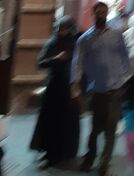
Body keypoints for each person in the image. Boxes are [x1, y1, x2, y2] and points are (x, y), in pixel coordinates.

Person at [71, 1, 131, 176]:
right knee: (95, 129)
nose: (101, 14)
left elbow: (125, 56)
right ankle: (90, 157)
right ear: (93, 14)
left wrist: (127, 77)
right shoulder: (85, 39)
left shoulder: (116, 35)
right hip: (97, 91)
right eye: (98, 12)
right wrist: (75, 84)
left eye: (104, 11)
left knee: (111, 129)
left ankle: (104, 164)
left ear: (107, 13)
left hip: (116, 89)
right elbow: (78, 62)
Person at [30, 16, 80, 169]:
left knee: (66, 122)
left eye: (64, 29)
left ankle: (63, 152)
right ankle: (50, 153)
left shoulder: (75, 44)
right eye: (60, 28)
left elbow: (80, 65)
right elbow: (41, 63)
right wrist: (56, 59)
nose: (61, 31)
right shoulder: (52, 42)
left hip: (69, 88)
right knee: (51, 121)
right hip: (54, 88)